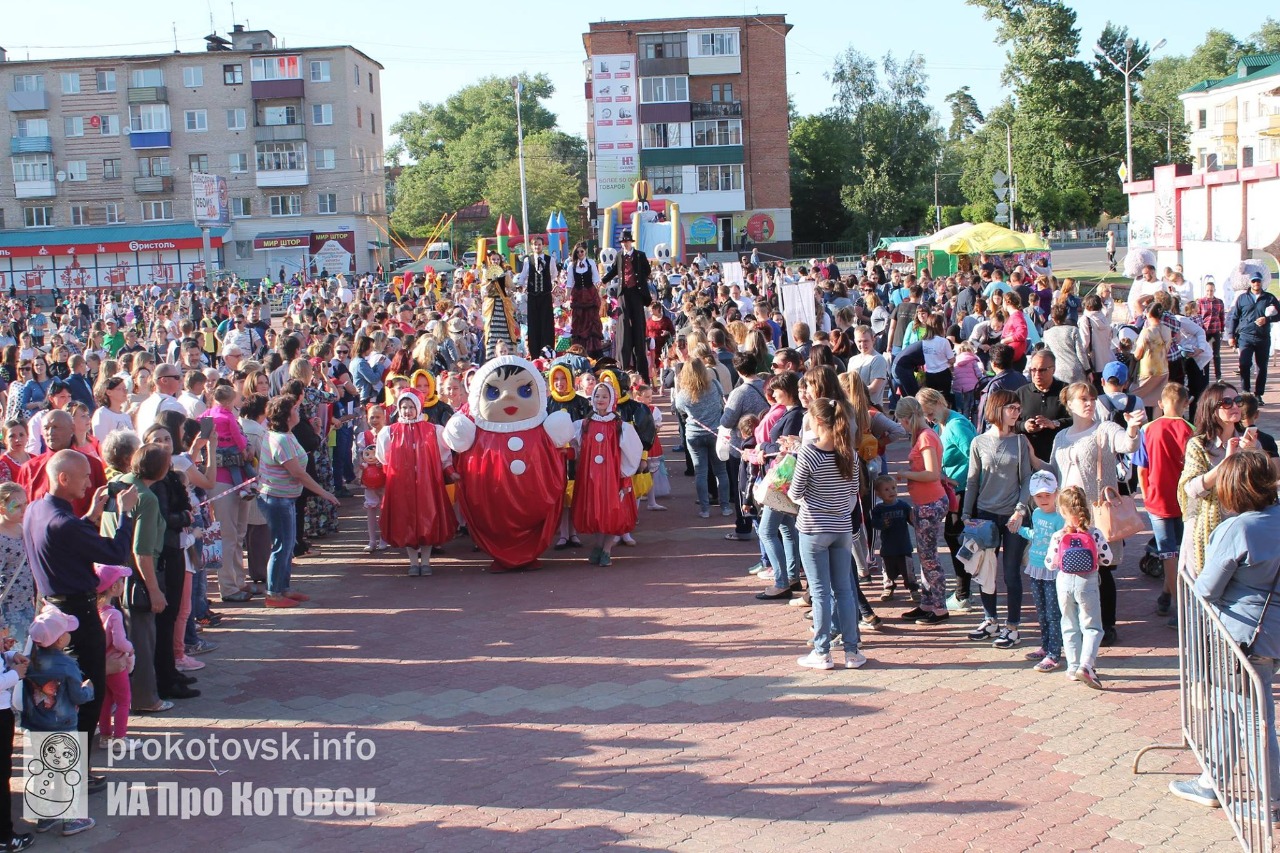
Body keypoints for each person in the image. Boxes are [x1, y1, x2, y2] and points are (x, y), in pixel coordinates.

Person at [1169, 451, 1280, 810]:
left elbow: (1205, 590)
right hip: (1270, 634)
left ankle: (1271, 802)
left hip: (1239, 637)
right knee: (1233, 709)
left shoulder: (1237, 529)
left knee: (1251, 719)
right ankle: (1211, 780)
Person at [1050, 382, 1145, 645]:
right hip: (1068, 513)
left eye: (1092, 398)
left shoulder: (1105, 429)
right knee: (1071, 568)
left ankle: (1107, 624)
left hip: (1097, 511)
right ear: (1069, 404)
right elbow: (1055, 470)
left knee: (1100, 568)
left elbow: (1128, 444)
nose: (1089, 402)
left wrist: (1134, 428)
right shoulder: (1061, 436)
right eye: (1082, 399)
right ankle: (1081, 623)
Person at [789, 396, 866, 670]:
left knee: (821, 592)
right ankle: (852, 652)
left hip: (813, 528)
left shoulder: (809, 453)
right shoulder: (850, 453)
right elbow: (853, 493)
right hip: (842, 527)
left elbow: (796, 492)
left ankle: (822, 651)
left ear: (818, 421)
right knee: (844, 589)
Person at [964, 389, 1035, 648]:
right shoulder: (978, 442)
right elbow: (972, 481)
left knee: (1011, 572)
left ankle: (1013, 626)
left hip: (1014, 514)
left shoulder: (1019, 441)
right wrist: (965, 515)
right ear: (997, 409)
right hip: (985, 513)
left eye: (1018, 408)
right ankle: (990, 619)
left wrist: (1020, 509)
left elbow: (1027, 477)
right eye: (1011, 408)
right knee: (985, 570)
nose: (1016, 412)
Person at [258, 396, 338, 607]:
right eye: (294, 409)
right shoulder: (281, 440)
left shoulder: (286, 435)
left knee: (288, 545)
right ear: (285, 415)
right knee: (281, 546)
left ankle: (283, 588)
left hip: (286, 498)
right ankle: (273, 593)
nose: (298, 412)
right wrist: (324, 493)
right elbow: (298, 473)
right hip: (277, 499)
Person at [24, 604, 97, 837]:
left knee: (42, 770)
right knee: (68, 770)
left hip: (36, 723)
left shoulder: (28, 661)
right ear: (58, 640)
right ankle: (72, 818)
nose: (69, 634)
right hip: (63, 724)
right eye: (66, 632)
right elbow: (77, 696)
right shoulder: (67, 664)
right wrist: (89, 690)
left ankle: (44, 816)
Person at [375, 392, 456, 576]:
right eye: (404, 407)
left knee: (428, 518)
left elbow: (445, 457)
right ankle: (413, 563)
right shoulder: (390, 432)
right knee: (406, 521)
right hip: (402, 486)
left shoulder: (433, 430)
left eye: (411, 407)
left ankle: (426, 562)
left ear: (419, 407)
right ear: (399, 408)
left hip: (427, 484)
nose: (408, 411)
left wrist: (451, 473)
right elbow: (383, 458)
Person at [1135, 383, 1193, 619]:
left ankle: (1175, 602)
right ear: (1186, 404)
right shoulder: (1191, 430)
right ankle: (1168, 595)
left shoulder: (1148, 429)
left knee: (1167, 551)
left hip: (1157, 497)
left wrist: (1146, 493)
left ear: (1160, 403)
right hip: (1184, 498)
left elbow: (1141, 469)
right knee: (1178, 549)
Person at [1047, 486, 1115, 689]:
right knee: (1092, 626)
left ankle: (1072, 667)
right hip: (1088, 582)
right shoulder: (1094, 533)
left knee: (1069, 624)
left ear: (1062, 510)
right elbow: (1107, 558)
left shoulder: (1059, 535)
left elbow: (1050, 563)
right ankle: (1086, 664)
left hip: (1065, 583)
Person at [572, 383, 642, 567]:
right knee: (596, 511)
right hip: (592, 478)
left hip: (611, 477)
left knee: (612, 511)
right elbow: (571, 441)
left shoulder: (620, 426)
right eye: (597, 396)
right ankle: (598, 545)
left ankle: (607, 549)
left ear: (611, 399)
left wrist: (624, 473)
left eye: (604, 396)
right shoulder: (584, 424)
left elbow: (632, 451)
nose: (600, 400)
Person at [894, 397, 949, 625]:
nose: (903, 426)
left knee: (929, 558)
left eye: (902, 422)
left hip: (929, 503)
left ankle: (939, 607)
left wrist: (906, 474)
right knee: (926, 556)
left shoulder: (926, 437)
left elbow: (932, 473)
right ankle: (928, 603)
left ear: (907, 419)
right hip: (925, 503)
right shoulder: (926, 435)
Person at [673, 349, 729, 520]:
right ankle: (725, 506)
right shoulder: (715, 386)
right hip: (715, 432)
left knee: (701, 472)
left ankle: (705, 509)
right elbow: (721, 402)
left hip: (694, 435)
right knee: (721, 471)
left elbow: (680, 410)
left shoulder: (683, 395)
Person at [1019, 471, 1065, 672]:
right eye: (1039, 496)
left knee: (1053, 613)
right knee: (1041, 611)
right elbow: (1036, 535)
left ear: (1056, 493)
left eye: (1048, 495)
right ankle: (1045, 646)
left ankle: (1054, 653)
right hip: (1036, 566)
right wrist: (1018, 528)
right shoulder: (1036, 514)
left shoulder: (1061, 517)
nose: (1043, 500)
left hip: (1053, 570)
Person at [601, 230, 653, 383]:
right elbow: (613, 271)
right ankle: (624, 371)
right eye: (623, 242)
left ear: (631, 242)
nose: (625, 243)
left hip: (636, 293)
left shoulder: (640, 255)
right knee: (623, 326)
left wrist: (640, 280)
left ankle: (643, 375)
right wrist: (603, 280)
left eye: (627, 241)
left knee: (638, 327)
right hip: (623, 293)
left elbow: (647, 271)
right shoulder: (619, 255)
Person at [95, 563, 136, 750]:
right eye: (121, 581)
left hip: (102, 663)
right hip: (116, 663)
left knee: (106, 700)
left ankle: (105, 735)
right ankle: (120, 738)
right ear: (114, 587)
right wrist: (131, 648)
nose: (122, 584)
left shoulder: (96, 612)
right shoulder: (114, 615)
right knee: (123, 700)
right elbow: (119, 641)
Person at [1227, 272, 1280, 403]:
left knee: (1261, 367)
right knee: (1244, 363)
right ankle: (1245, 391)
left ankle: (1258, 394)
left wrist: (1267, 319)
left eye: (1258, 281)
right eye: (1253, 281)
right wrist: (1231, 335)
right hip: (1245, 336)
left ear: (1261, 282)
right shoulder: (1242, 298)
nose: (1256, 284)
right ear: (1250, 283)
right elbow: (1234, 317)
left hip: (1262, 337)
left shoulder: (1269, 298)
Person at [869, 475, 917, 602]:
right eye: (886, 489)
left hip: (904, 546)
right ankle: (888, 587)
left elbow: (912, 520)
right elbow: (874, 523)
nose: (891, 491)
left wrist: (915, 519)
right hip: (888, 548)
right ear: (878, 493)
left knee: (909, 571)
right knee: (888, 571)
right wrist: (882, 523)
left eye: (893, 488)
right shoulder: (878, 509)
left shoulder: (903, 506)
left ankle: (913, 589)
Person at [1016, 351, 1069, 464]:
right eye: (1033, 370)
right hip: (1029, 458)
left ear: (1053, 370)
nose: (1037, 374)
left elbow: (1078, 419)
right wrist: (1024, 425)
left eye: (1042, 370)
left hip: (1061, 455)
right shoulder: (1021, 394)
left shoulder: (1066, 391)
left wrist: (1054, 424)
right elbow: (1008, 422)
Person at [516, 236, 558, 359]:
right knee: (534, 324)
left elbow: (554, 274)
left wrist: (546, 284)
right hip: (533, 296)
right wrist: (520, 286)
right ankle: (534, 353)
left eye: (539, 245)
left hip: (545, 296)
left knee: (546, 323)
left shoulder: (550, 260)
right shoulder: (527, 260)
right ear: (532, 246)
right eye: (535, 245)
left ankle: (548, 350)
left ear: (543, 246)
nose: (537, 247)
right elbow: (523, 276)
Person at [567, 243, 604, 358]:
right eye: (577, 252)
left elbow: (596, 279)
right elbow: (569, 284)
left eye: (581, 251)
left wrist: (600, 293)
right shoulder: (571, 266)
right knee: (579, 324)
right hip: (578, 296)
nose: (580, 254)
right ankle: (578, 352)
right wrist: (567, 299)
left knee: (592, 322)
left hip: (590, 295)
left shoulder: (591, 263)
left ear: (586, 251)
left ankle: (593, 353)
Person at [481, 251, 519, 360]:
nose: (495, 261)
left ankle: (509, 353)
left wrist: (513, 288)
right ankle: (491, 356)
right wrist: (492, 281)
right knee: (491, 329)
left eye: (497, 259)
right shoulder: (486, 272)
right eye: (493, 259)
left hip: (503, 305)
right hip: (492, 304)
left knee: (507, 328)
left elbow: (512, 286)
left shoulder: (504, 273)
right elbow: (483, 290)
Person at [1196, 278, 1225, 381]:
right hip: (1204, 331)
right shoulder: (1200, 301)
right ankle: (1205, 375)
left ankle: (1218, 376)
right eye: (1208, 290)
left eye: (1211, 290)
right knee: (1205, 353)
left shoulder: (1219, 302)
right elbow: (1198, 316)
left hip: (1215, 330)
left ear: (1214, 290)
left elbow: (1222, 316)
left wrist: (1222, 330)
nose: (1209, 292)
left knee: (1216, 354)